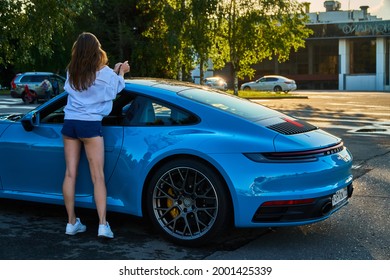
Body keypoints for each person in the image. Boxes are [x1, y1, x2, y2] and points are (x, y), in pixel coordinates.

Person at [61, 32, 130, 238]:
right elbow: (116, 89)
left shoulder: (71, 72)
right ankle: (102, 225)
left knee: (70, 174)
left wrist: (115, 71)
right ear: (96, 49)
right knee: (97, 176)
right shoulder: (106, 73)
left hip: (70, 123)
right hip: (90, 126)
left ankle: (71, 223)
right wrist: (121, 71)